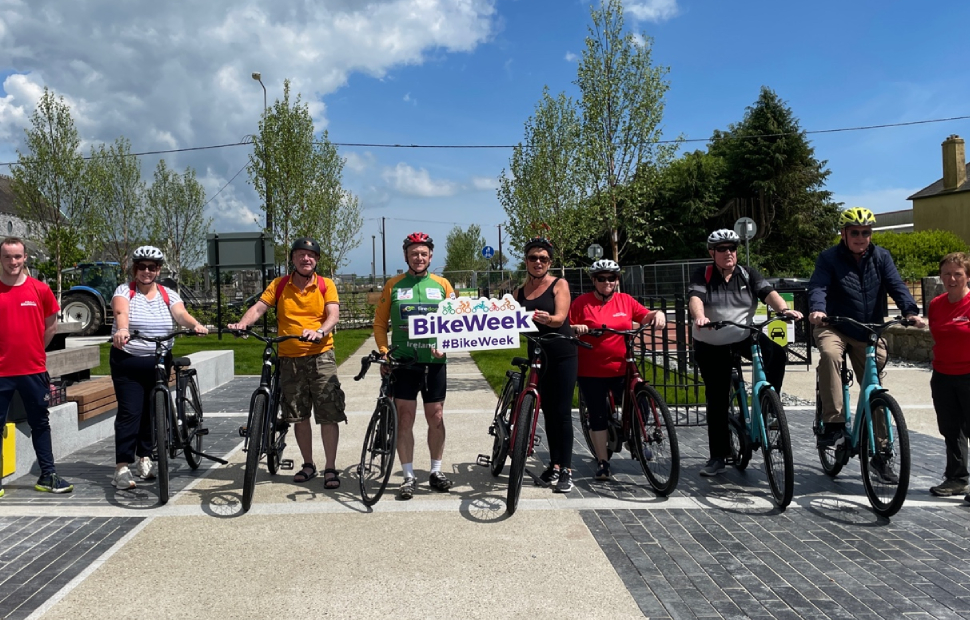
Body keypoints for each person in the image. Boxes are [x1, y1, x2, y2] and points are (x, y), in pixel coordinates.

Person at [808, 207, 924, 484]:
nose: (861, 237)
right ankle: (833, 422)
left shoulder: (881, 257)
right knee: (829, 354)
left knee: (875, 389)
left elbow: (896, 285)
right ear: (844, 234)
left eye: (866, 232)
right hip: (833, 325)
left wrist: (910, 311)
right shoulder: (828, 258)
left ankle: (881, 455)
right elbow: (818, 287)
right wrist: (817, 310)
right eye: (856, 232)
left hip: (867, 329)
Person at [229, 238, 346, 489]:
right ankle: (308, 464)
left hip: (321, 355)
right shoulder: (279, 285)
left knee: (328, 413)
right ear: (292, 259)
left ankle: (330, 468)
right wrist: (243, 323)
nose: (306, 259)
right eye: (301, 255)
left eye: (311, 255)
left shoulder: (326, 285)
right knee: (298, 414)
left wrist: (320, 331)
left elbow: (333, 315)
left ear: (317, 260)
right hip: (289, 358)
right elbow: (259, 308)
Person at [689, 229, 802, 477]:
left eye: (732, 248)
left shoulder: (747, 273)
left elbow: (767, 293)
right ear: (712, 253)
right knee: (717, 399)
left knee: (777, 354)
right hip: (712, 341)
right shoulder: (704, 274)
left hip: (742, 335)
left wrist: (784, 309)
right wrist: (700, 317)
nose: (728, 253)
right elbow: (695, 298)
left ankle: (768, 405)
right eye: (722, 249)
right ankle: (718, 456)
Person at [109, 245, 209, 490]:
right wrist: (122, 329)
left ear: (158, 270)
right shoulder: (125, 291)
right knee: (130, 412)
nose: (146, 271)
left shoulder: (167, 294)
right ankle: (122, 467)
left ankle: (145, 457)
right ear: (135, 269)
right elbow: (121, 311)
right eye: (141, 267)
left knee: (152, 411)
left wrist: (195, 325)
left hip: (159, 360)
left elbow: (181, 314)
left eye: (151, 268)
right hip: (129, 360)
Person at [373, 232, 456, 500]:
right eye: (414, 253)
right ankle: (408, 476)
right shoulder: (393, 285)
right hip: (403, 362)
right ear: (406, 256)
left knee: (437, 417)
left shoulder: (443, 284)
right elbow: (379, 323)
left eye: (423, 253)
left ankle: (435, 471)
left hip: (434, 362)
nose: (419, 257)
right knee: (405, 418)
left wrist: (446, 344)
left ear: (430, 256)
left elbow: (457, 323)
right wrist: (385, 352)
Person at [570, 259, 666, 480]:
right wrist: (576, 328)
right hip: (591, 369)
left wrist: (657, 314)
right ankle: (603, 462)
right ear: (594, 280)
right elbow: (567, 325)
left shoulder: (625, 301)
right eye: (601, 278)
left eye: (611, 278)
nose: (607, 282)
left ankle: (635, 437)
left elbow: (644, 315)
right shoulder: (581, 303)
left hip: (622, 366)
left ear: (617, 280)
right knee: (598, 415)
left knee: (641, 400)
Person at [0, 236, 73, 495]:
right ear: (1, 259)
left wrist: (32, 350)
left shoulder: (40, 290)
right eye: (7, 257)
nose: (13, 262)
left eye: (17, 256)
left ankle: (48, 475)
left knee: (40, 424)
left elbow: (51, 325)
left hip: (33, 370)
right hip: (1, 373)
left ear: (25, 258)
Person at [512, 237, 578, 492]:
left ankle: (566, 469)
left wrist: (548, 318)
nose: (538, 262)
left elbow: (561, 317)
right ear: (526, 261)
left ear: (549, 262)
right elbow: (505, 322)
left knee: (561, 412)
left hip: (561, 353)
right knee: (547, 411)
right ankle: (554, 463)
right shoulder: (518, 293)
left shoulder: (559, 284)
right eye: (533, 258)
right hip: (537, 355)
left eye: (543, 259)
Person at [927, 252, 970, 498]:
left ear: (967, 276)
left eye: (958, 274)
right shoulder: (936, 304)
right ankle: (956, 478)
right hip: (943, 374)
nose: (951, 278)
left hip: (969, 374)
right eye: (947, 273)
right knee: (951, 430)